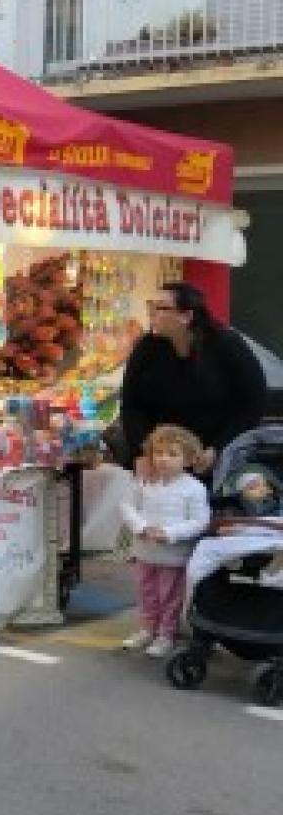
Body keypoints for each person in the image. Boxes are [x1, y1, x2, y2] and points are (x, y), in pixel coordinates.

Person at [118, 281, 265, 477]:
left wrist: (218, 448)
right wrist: (143, 451)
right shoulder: (146, 347)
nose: (151, 313)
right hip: (160, 457)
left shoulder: (226, 344)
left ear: (186, 316)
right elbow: (131, 404)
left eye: (160, 307)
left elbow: (253, 403)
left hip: (213, 455)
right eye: (150, 306)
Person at [118, 423, 210, 658]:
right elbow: (127, 505)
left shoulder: (194, 488)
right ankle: (148, 628)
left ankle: (166, 634)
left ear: (188, 459)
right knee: (146, 592)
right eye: (158, 453)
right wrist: (140, 527)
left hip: (173, 555)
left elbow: (200, 521)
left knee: (170, 596)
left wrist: (169, 532)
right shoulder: (144, 482)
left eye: (172, 454)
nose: (163, 459)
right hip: (145, 551)